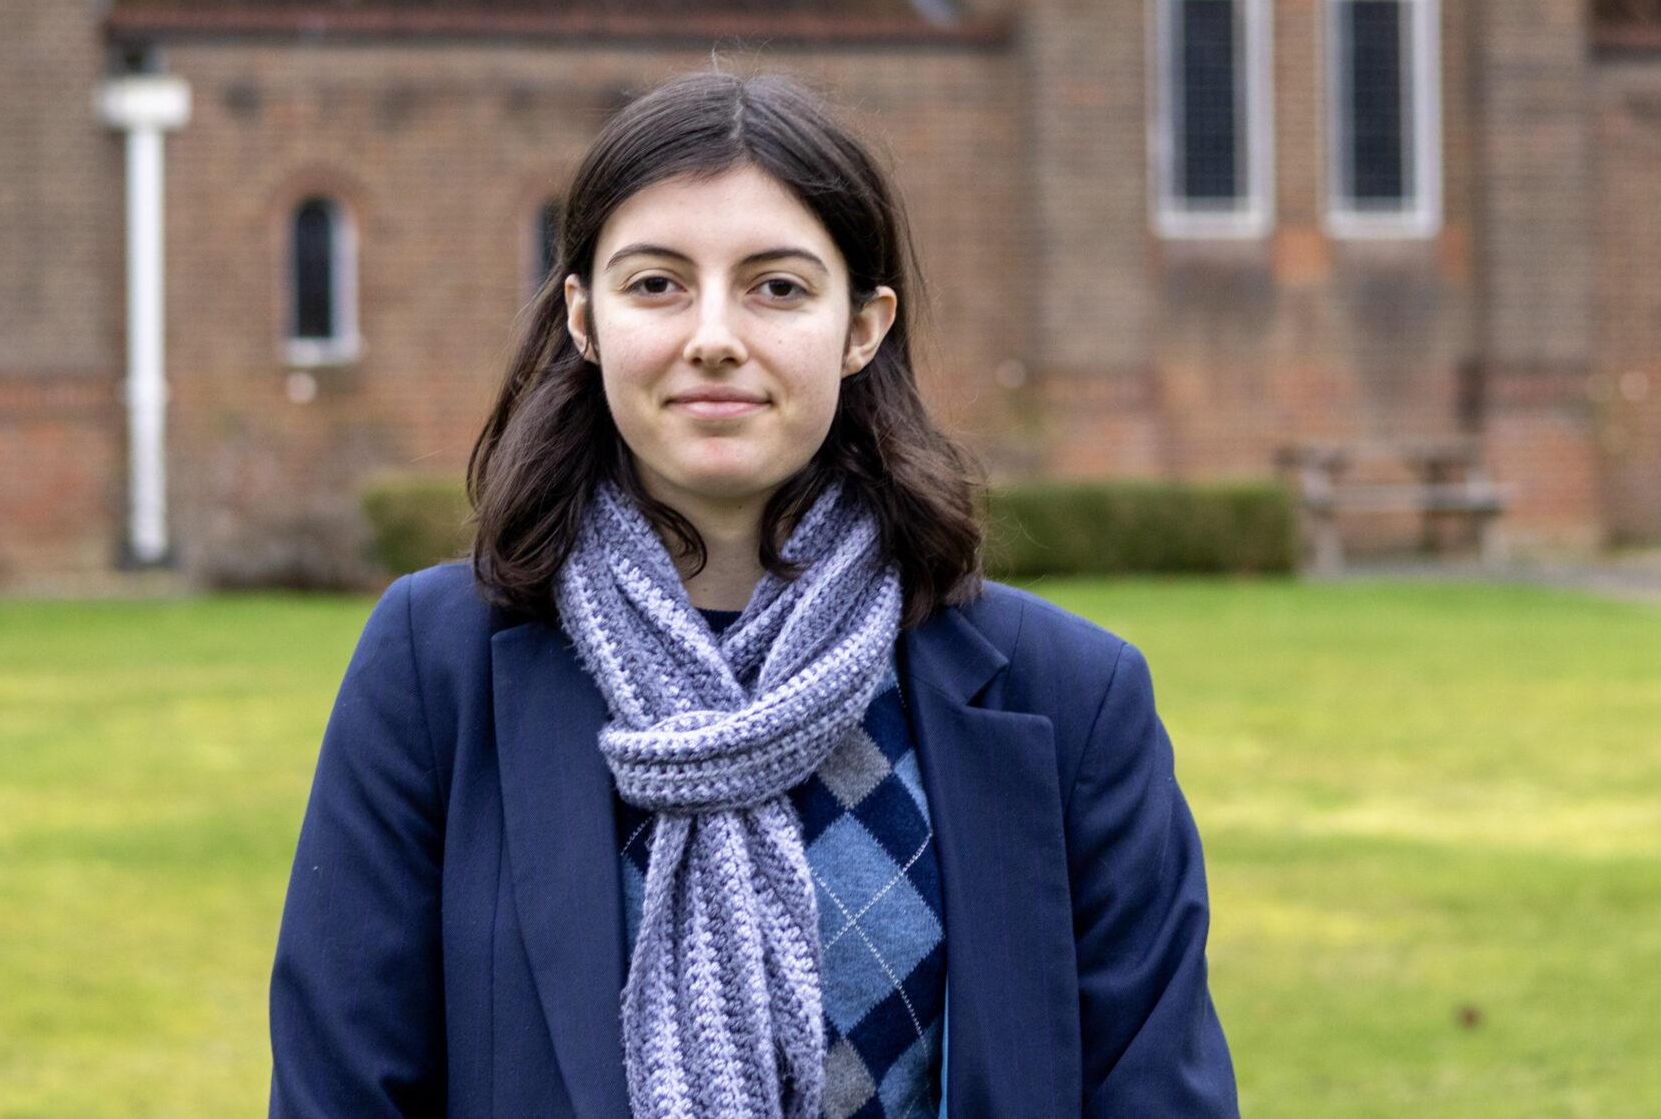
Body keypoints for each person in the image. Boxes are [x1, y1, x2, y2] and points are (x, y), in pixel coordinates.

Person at [267, 70, 1237, 1119]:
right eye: (657, 284)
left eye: (777, 287)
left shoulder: (1070, 698)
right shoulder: (434, 670)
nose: (714, 336)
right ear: (584, 318)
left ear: (863, 327)